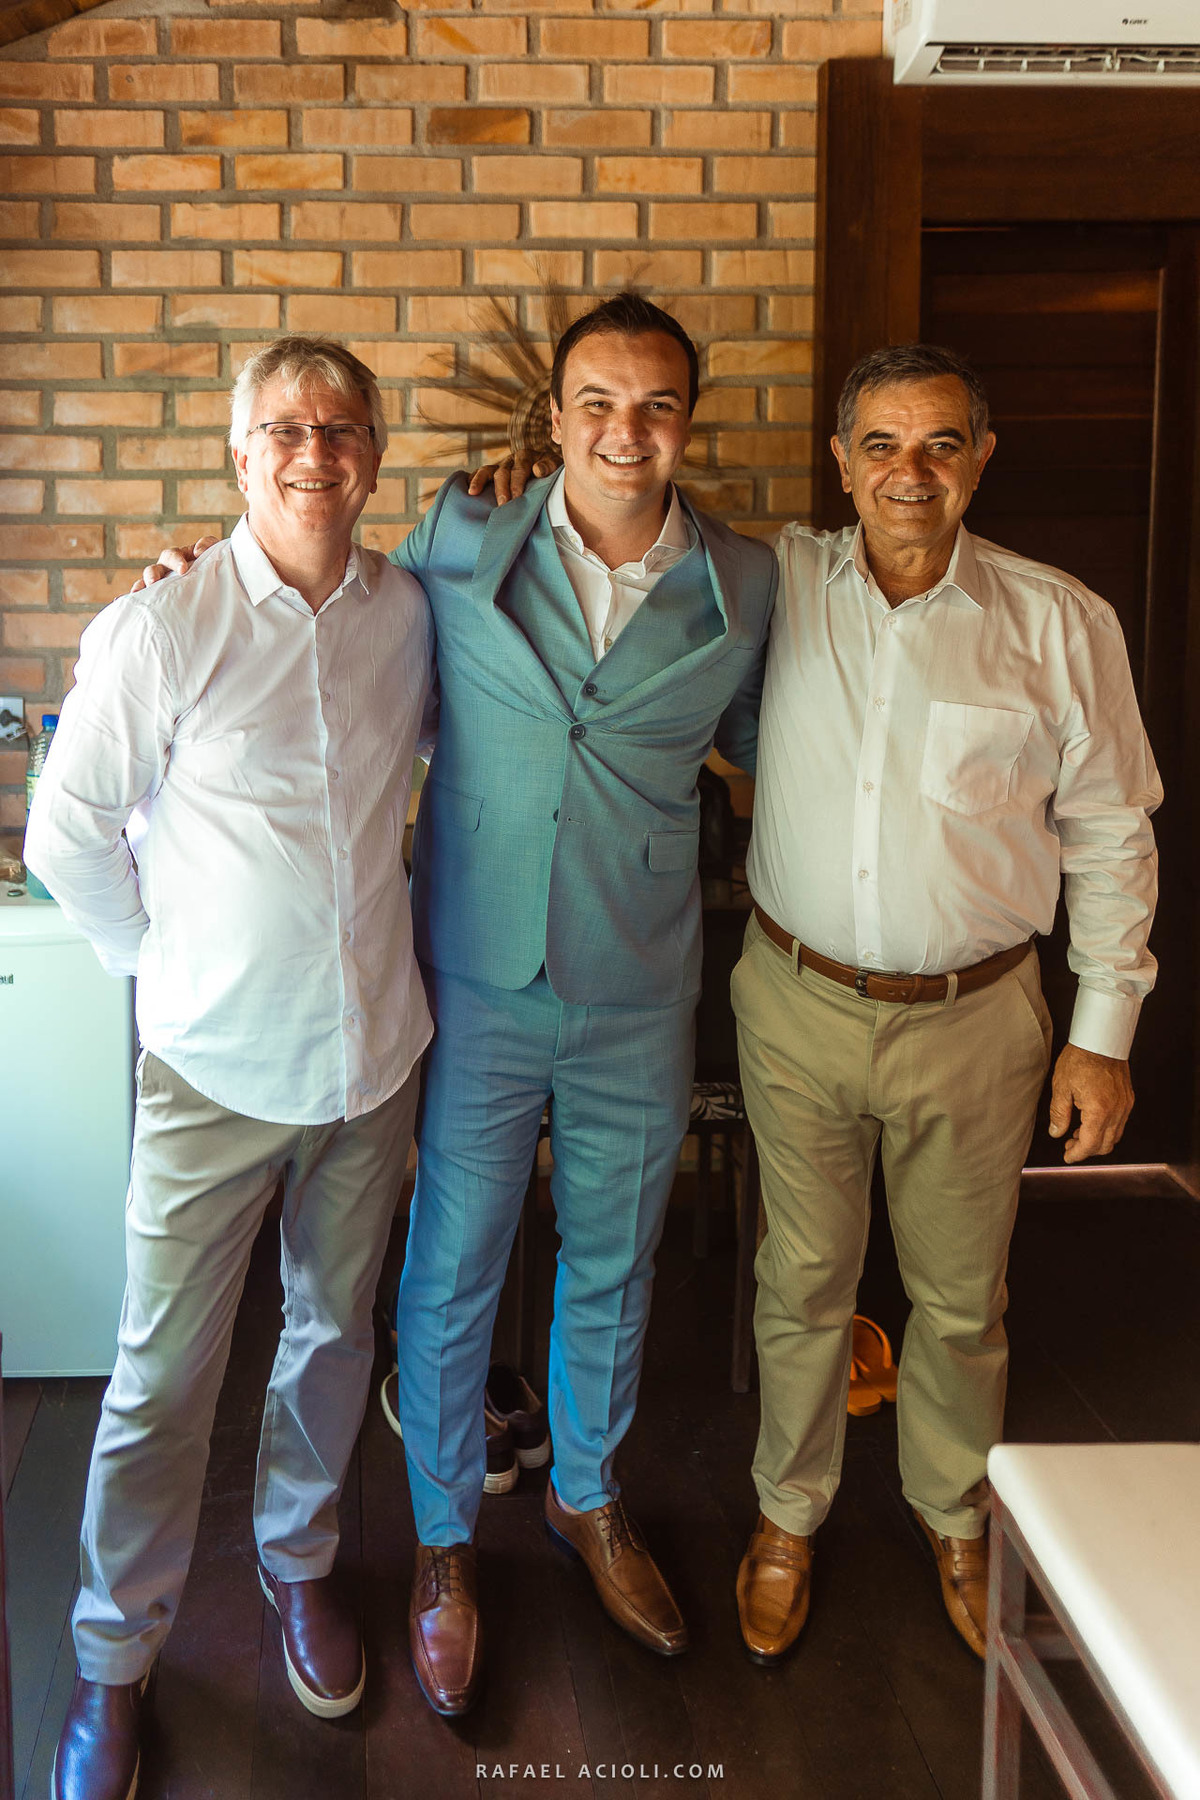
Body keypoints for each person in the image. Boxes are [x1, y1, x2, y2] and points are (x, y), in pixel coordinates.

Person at [133, 294, 777, 1718]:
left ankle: (588, 1497)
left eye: (657, 406)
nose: (626, 431)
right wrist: (189, 575)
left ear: (688, 422)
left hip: (639, 981)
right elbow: (317, 602)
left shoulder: (745, 582)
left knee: (616, 1257)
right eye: (598, 402)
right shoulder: (460, 540)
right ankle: (440, 1540)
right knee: (449, 1265)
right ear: (556, 417)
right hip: (474, 977)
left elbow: (757, 739)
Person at [24, 336, 433, 1800]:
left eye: (342, 427)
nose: (316, 451)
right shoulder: (161, 628)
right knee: (161, 1376)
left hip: (374, 1061)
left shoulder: (408, 614)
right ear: (239, 454)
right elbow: (66, 835)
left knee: (333, 1335)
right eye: (285, 429)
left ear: (374, 452)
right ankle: (113, 1655)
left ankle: (299, 1562)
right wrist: (160, 963)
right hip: (209, 1073)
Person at [728, 343, 1161, 1666]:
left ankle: (956, 1515)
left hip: (978, 1017)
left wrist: (1101, 1037)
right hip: (796, 1002)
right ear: (840, 462)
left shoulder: (1061, 622)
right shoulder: (777, 586)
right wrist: (504, 505)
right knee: (801, 1278)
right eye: (880, 445)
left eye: (939, 444)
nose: (908, 472)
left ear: (981, 458)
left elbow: (1112, 832)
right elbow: (628, 558)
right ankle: (788, 1514)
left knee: (963, 1296)